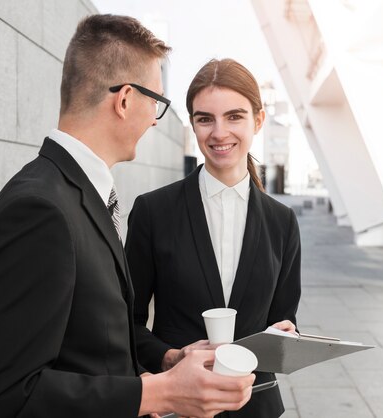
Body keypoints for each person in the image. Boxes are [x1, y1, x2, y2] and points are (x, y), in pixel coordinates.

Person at [0, 16, 254, 418]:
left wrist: (164, 369)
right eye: (157, 103)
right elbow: (1, 400)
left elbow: (91, 351)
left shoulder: (74, 194)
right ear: (125, 100)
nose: (155, 119)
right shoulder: (39, 211)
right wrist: (159, 395)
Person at [125, 58, 302, 417]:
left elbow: (285, 320)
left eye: (234, 116)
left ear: (259, 120)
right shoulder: (152, 211)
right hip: (178, 407)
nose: (219, 133)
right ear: (193, 124)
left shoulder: (282, 221)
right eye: (205, 119)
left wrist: (289, 336)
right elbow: (124, 322)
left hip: (258, 406)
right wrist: (169, 357)